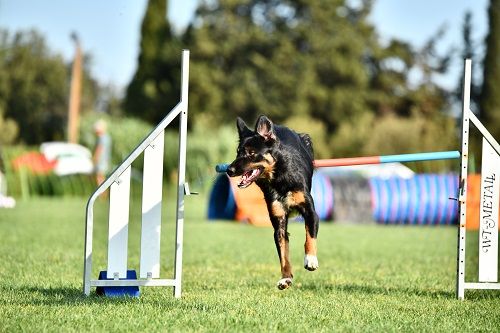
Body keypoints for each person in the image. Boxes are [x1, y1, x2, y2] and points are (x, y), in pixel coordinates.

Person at [93, 119, 111, 186]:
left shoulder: (101, 138)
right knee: (102, 177)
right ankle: (103, 194)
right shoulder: (108, 137)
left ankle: (102, 194)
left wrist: (95, 158)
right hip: (106, 160)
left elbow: (99, 149)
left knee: (99, 177)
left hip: (101, 160)